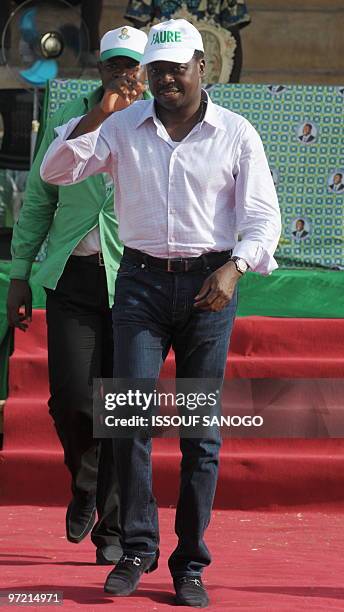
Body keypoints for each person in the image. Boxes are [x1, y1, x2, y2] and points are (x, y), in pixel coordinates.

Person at [40, 18, 281, 607]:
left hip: (210, 289)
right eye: (157, 69)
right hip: (142, 287)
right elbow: (56, 171)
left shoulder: (236, 133)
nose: (167, 78)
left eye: (178, 67)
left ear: (203, 66)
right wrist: (98, 114)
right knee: (128, 420)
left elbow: (263, 217)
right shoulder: (122, 126)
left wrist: (237, 267)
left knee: (200, 435)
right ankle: (135, 548)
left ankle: (190, 562)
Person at [7, 26, 149, 565]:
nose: (124, 73)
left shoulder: (158, 121)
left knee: (121, 407)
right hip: (72, 274)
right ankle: (85, 485)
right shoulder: (72, 115)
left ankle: (111, 527)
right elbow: (41, 197)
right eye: (114, 63)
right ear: (100, 68)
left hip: (136, 279)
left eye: (132, 64)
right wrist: (20, 272)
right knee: (71, 397)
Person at [124, 0, 250, 82]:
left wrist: (231, 86)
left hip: (208, 57)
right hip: (162, 50)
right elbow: (139, 32)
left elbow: (232, 39)